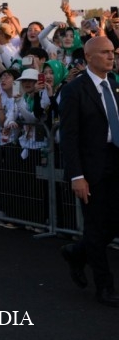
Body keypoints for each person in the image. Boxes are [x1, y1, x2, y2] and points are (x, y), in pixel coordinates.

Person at [59, 36, 119, 307]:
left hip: (116, 161)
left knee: (113, 224)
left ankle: (77, 252)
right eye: (105, 53)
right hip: (91, 168)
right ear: (90, 57)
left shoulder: (115, 85)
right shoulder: (74, 91)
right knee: (95, 227)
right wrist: (76, 176)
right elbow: (68, 137)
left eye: (113, 52)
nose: (111, 57)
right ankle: (104, 287)